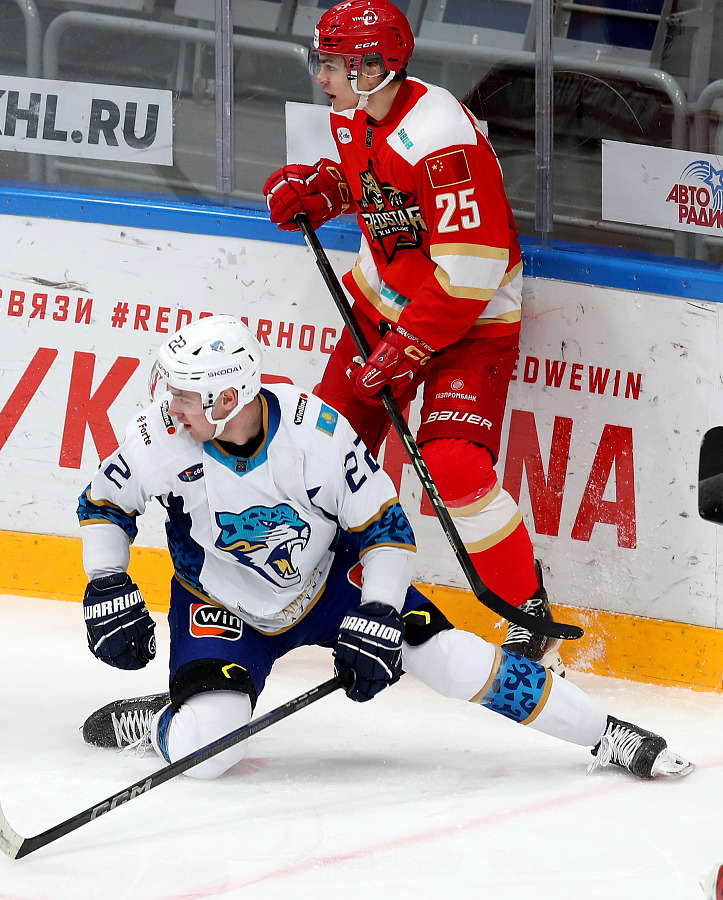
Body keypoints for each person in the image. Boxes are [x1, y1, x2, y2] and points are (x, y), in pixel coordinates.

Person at [77, 315, 692, 783]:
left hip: (328, 582)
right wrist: (106, 579)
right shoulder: (158, 438)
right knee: (208, 754)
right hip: (218, 602)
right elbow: (103, 503)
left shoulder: (315, 435)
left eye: (185, 395)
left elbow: (387, 530)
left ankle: (605, 733)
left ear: (228, 398)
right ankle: (163, 720)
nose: (171, 406)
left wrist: (377, 612)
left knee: (450, 658)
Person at [262, 0, 562, 670]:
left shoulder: (441, 137)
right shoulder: (354, 110)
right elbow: (378, 185)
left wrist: (409, 346)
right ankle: (310, 591)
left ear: (376, 66)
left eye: (335, 63)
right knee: (323, 452)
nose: (322, 76)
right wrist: (326, 191)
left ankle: (528, 612)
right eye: (322, 60)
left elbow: (473, 267)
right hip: (384, 307)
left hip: (469, 320)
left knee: (453, 467)